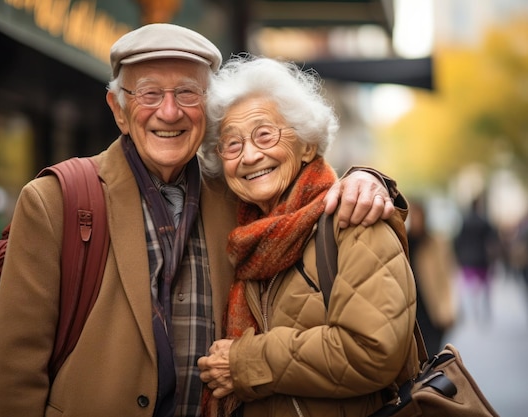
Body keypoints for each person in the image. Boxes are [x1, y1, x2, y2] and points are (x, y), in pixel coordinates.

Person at [0, 24, 403, 417]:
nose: (169, 112)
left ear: (205, 109)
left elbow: (304, 198)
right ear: (119, 109)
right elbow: (13, 372)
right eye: (149, 94)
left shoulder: (236, 197)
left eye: (187, 93)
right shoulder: (55, 201)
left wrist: (368, 179)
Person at [197, 55, 418, 417]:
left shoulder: (355, 217)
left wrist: (243, 363)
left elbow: (371, 352)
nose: (250, 155)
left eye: (265, 135)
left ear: (307, 145)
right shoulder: (246, 239)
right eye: (232, 145)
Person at [407, 199, 457, 354]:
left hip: (432, 308)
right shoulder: (402, 242)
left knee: (432, 354)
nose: (415, 220)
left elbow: (447, 275)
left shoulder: (435, 243)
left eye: (417, 215)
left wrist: (448, 308)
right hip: (411, 309)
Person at [453, 195, 500, 321]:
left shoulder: (465, 221)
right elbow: (493, 239)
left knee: (469, 287)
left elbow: (458, 240)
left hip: (467, 259)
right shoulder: (484, 221)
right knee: (485, 287)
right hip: (482, 259)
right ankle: (484, 309)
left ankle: (472, 311)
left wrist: (458, 255)